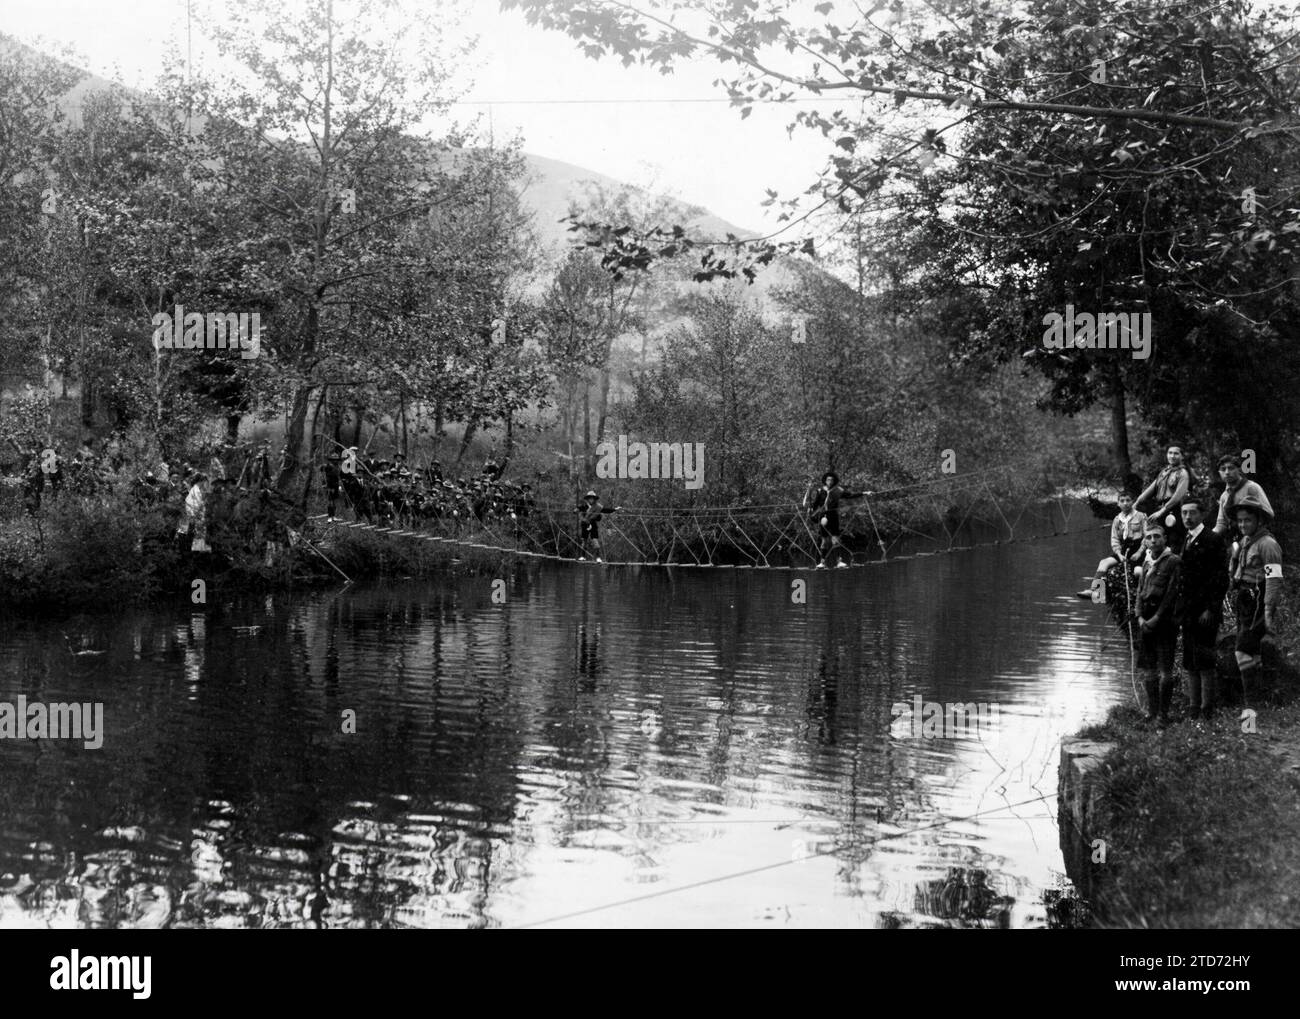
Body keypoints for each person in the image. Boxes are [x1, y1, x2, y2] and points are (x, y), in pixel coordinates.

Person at [1175, 497, 1228, 720]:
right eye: (1184, 513)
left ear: (1202, 514)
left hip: (1205, 611)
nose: (1187, 517)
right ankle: (1193, 707)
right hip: (1188, 609)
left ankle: (1207, 709)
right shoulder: (1185, 538)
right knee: (1190, 659)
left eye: (1192, 513)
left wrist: (1211, 608)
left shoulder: (1212, 539)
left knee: (1205, 659)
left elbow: (1220, 578)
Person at [1228, 500, 1283, 706]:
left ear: (1259, 520)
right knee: (1252, 650)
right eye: (1240, 521)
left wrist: (1268, 611)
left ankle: (1251, 701)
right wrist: (1233, 560)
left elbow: (1273, 579)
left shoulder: (1267, 544)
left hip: (1258, 600)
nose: (1243, 525)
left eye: (1248, 520)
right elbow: (1237, 572)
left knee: (1241, 650)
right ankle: (1264, 695)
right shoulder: (1245, 541)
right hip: (1245, 598)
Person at [1133, 520, 1182, 725]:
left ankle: (1163, 715)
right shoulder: (1146, 562)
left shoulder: (1173, 561)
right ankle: (1151, 712)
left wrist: (1156, 618)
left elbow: (1172, 593)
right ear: (1145, 541)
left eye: (1157, 536)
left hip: (1164, 620)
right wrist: (1139, 615)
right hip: (1146, 618)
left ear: (1164, 539)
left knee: (1165, 670)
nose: (1153, 541)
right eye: (1149, 537)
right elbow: (1139, 590)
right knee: (1148, 668)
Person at [1078, 489, 1147, 598]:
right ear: (1118, 503)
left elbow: (1146, 537)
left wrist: (1139, 552)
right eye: (1122, 501)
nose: (1125, 503)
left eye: (1128, 500)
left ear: (1133, 502)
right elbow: (1115, 540)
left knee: (1138, 571)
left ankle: (1142, 593)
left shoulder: (1141, 517)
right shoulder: (1117, 519)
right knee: (1104, 562)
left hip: (1138, 550)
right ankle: (1095, 592)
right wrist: (1119, 554)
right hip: (1124, 550)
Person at [804, 471, 870, 568]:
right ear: (825, 481)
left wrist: (864, 493)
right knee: (824, 541)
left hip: (833, 516)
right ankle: (822, 563)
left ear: (834, 481)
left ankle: (839, 562)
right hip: (823, 517)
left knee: (835, 540)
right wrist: (810, 511)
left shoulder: (838, 490)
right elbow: (815, 504)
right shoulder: (820, 491)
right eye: (828, 480)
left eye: (831, 480)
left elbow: (850, 495)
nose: (830, 481)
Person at [1136, 445, 1190, 552]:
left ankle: (1174, 565)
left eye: (1176, 453)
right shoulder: (1164, 472)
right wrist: (1135, 505)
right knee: (1157, 540)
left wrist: (1162, 511)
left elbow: (1177, 496)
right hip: (1160, 509)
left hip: (1174, 510)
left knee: (1173, 542)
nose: (1172, 456)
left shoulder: (1183, 473)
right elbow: (1150, 490)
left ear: (1182, 456)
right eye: (1170, 453)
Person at [1213, 454, 1274, 537]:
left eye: (1231, 468)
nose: (1227, 472)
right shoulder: (1224, 496)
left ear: (1239, 470)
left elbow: (1268, 514)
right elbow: (1221, 523)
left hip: (1256, 536)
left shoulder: (1251, 487)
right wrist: (1210, 536)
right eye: (1223, 469)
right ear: (1219, 473)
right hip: (1236, 540)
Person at [576, 490, 620, 562]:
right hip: (585, 524)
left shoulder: (598, 507)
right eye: (589, 498)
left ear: (594, 499)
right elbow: (578, 509)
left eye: (592, 498)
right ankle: (582, 556)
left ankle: (598, 558)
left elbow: (606, 510)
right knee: (584, 540)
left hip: (593, 524)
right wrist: (575, 510)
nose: (591, 499)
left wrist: (615, 509)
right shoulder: (584, 506)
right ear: (587, 499)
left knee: (595, 540)